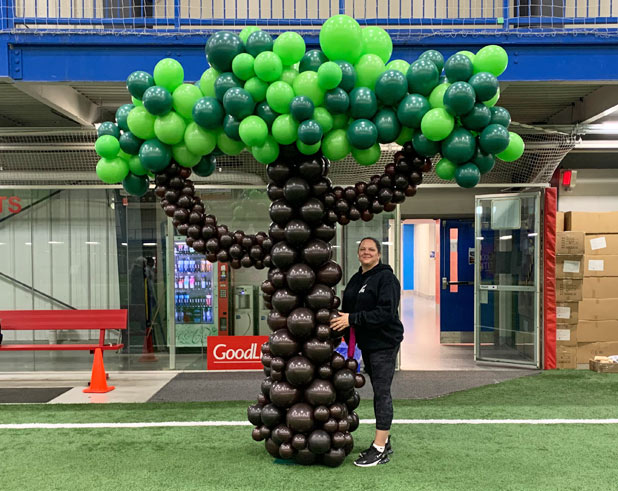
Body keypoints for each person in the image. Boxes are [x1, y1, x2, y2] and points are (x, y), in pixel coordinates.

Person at [330, 237, 404, 467]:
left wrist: (351, 319)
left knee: (382, 393)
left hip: (384, 343)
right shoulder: (357, 279)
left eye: (371, 249)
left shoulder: (386, 279)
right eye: (362, 249)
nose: (366, 252)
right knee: (378, 391)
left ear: (379, 254)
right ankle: (385, 441)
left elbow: (385, 313)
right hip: (367, 344)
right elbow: (348, 308)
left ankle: (380, 448)